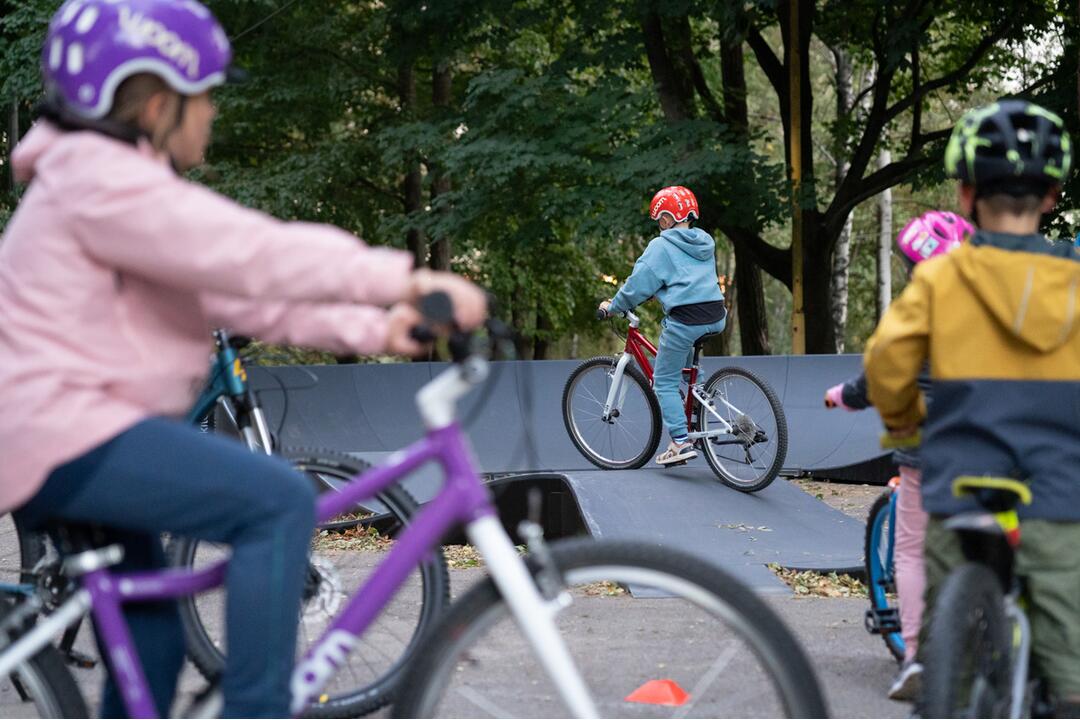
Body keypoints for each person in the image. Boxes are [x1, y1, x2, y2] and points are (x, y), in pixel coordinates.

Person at [0, 1, 486, 716]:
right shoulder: (97, 181)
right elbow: (251, 253)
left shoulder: (108, 186)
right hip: (65, 434)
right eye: (206, 97)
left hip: (74, 433)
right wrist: (405, 280)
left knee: (156, 652)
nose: (213, 115)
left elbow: (238, 299)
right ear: (160, 101)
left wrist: (377, 330)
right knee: (278, 500)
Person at [863, 99, 1080, 714]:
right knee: (1069, 640)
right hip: (1058, 488)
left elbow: (887, 362)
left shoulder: (940, 278)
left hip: (961, 478)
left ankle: (939, 672)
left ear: (964, 194)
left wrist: (904, 421)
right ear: (1053, 195)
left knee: (942, 614)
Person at [824, 210, 972, 701]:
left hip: (926, 451)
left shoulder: (911, 311)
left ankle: (916, 657)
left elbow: (881, 372)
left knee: (910, 549)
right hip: (990, 446)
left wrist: (844, 395)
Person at [599, 185, 726, 465]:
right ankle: (703, 401)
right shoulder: (704, 240)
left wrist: (614, 307)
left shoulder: (662, 245)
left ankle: (680, 442)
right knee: (682, 365)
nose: (659, 225)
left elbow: (637, 285)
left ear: (666, 219)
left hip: (686, 320)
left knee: (664, 382)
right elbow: (687, 277)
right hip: (716, 315)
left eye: (659, 220)